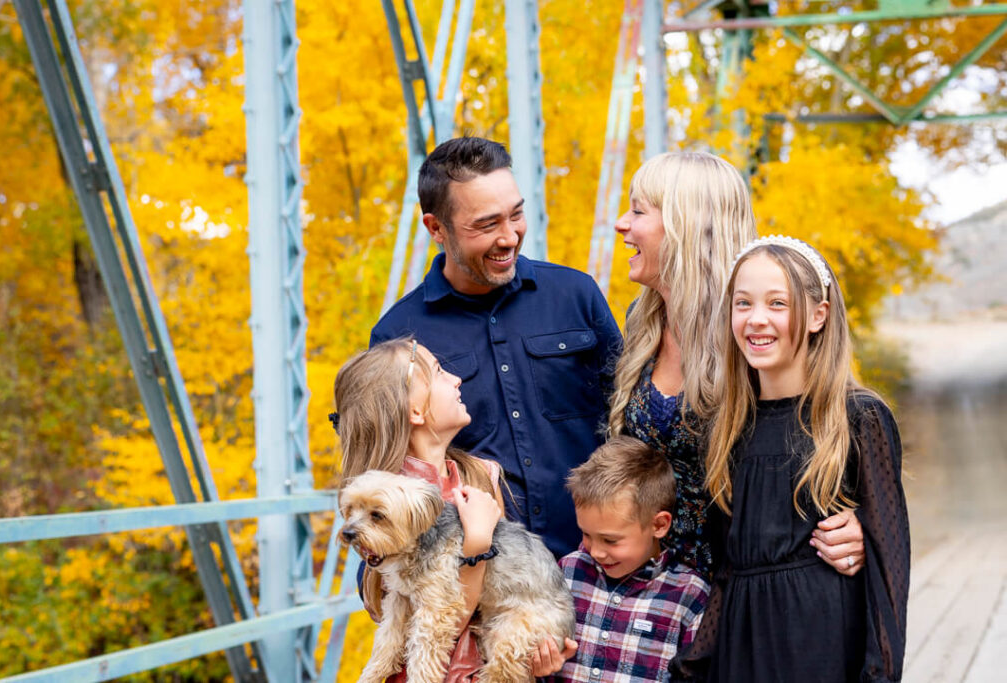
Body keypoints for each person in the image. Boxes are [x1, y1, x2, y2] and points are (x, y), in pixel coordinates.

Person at [608, 151, 865, 580]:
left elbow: (824, 428)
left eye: (637, 211)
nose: (622, 224)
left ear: (684, 227)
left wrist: (858, 524)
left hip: (735, 592)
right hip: (647, 594)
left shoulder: (754, 333)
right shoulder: (643, 319)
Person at [370, 137, 622, 560]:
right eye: (487, 225)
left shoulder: (576, 294)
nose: (509, 237)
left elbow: (629, 422)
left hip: (602, 571)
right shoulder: (397, 338)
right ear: (436, 229)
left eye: (516, 215)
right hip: (489, 589)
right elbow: (386, 476)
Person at [681, 236, 910, 681]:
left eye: (778, 303)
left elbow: (889, 570)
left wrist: (880, 674)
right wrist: (694, 666)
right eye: (743, 303)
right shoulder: (726, 429)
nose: (756, 319)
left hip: (824, 649)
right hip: (742, 651)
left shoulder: (857, 418)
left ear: (818, 315)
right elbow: (730, 570)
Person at [334, 338, 576, 679]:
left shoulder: (480, 475)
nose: (457, 378)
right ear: (415, 410)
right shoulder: (385, 502)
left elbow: (499, 593)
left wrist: (537, 657)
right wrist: (476, 546)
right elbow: (437, 615)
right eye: (439, 372)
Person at [554, 436, 709, 682]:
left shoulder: (689, 594)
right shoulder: (568, 571)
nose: (595, 552)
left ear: (658, 525)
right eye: (586, 534)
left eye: (610, 540)